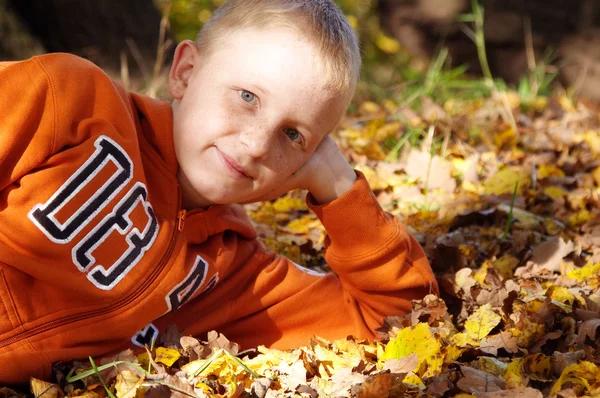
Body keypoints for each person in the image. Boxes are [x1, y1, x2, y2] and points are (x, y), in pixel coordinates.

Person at [0, 0, 438, 384]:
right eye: (247, 97)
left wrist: (338, 187)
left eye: (293, 135)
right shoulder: (69, 100)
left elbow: (402, 324)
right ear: (186, 73)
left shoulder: (236, 274)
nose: (256, 144)